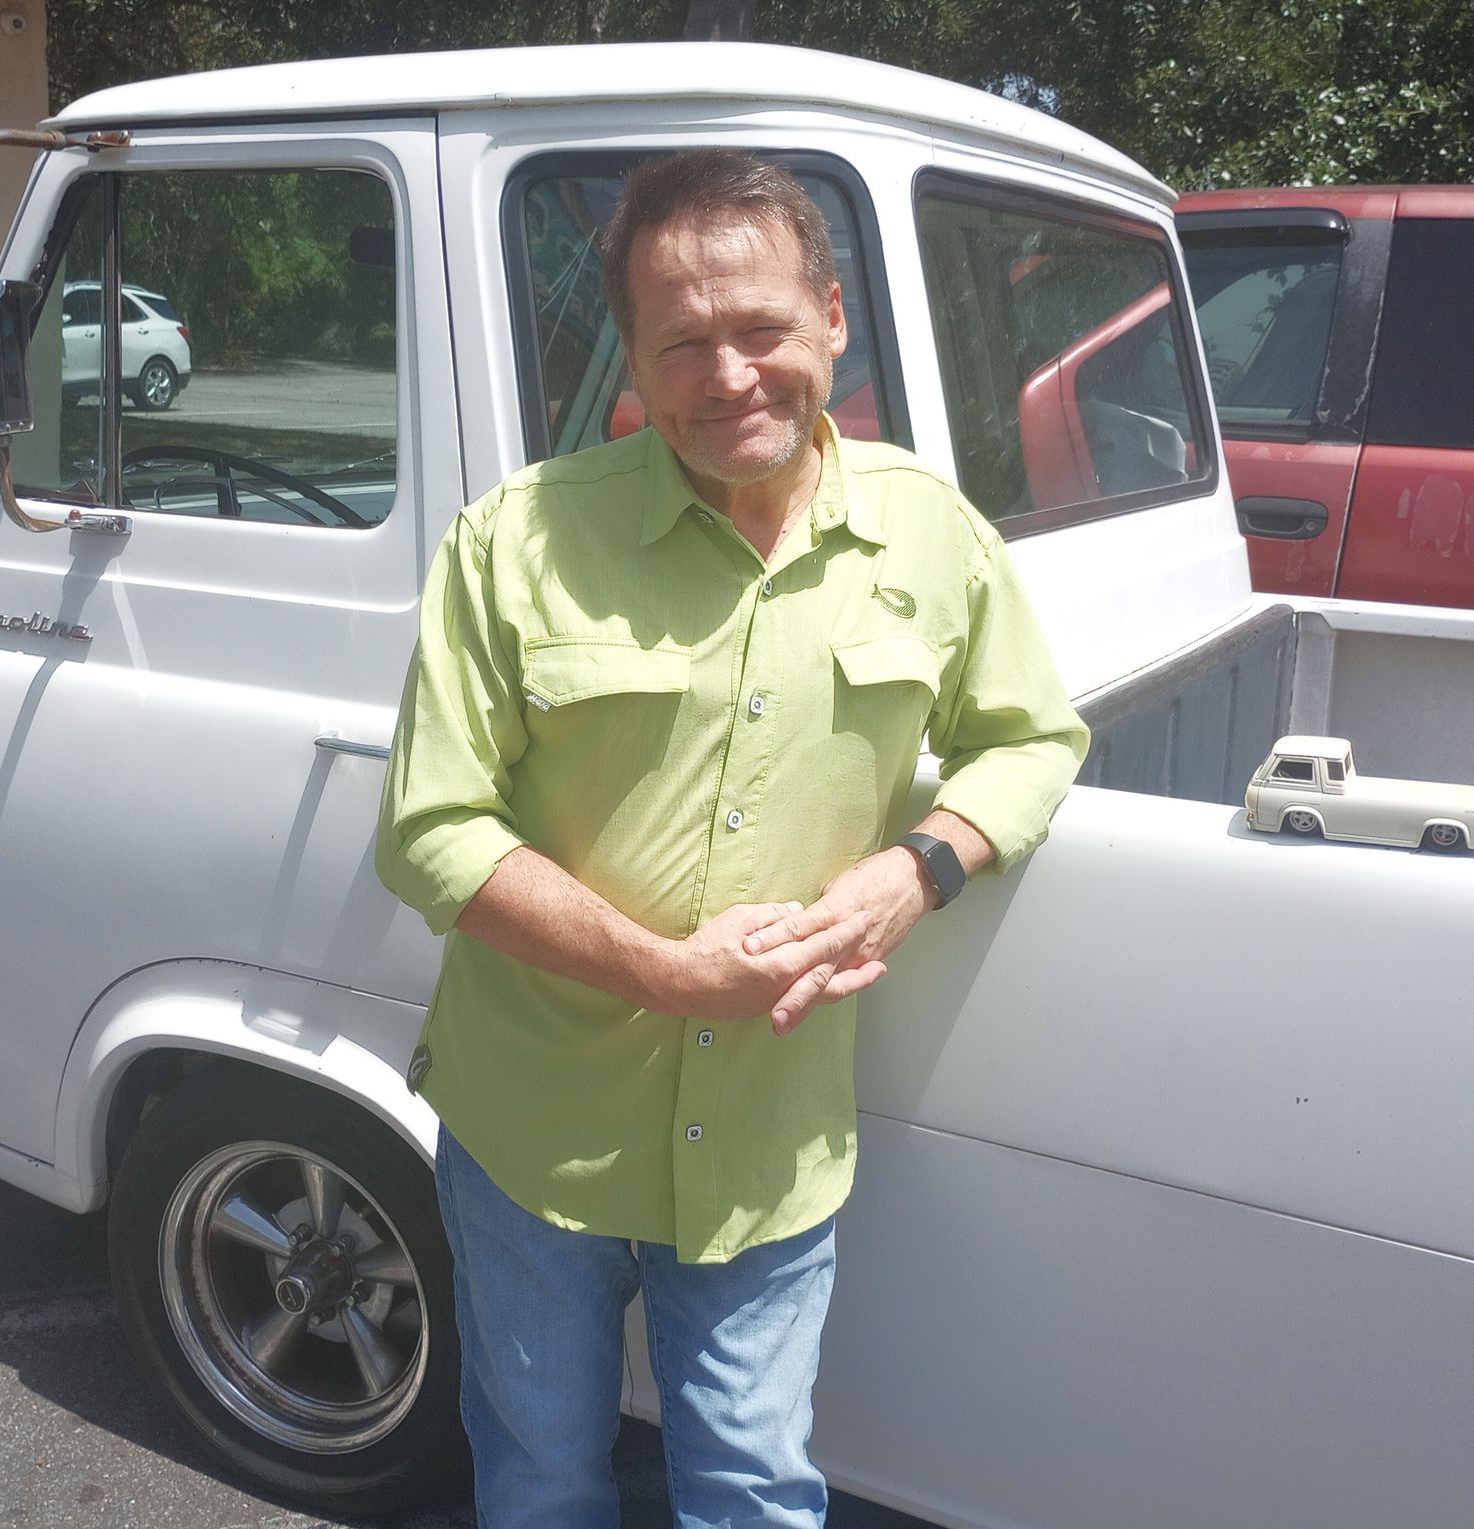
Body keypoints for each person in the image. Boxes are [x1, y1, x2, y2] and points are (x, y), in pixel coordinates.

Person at [376, 146, 1088, 1528]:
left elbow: (1033, 738)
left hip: (771, 1133)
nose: (728, 375)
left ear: (832, 316)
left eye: (761, 328)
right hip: (538, 1131)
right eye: (681, 342)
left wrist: (918, 865)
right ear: (633, 358)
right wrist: (662, 971)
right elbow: (431, 831)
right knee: (539, 1480)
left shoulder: (932, 535)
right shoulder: (511, 543)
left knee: (754, 1490)